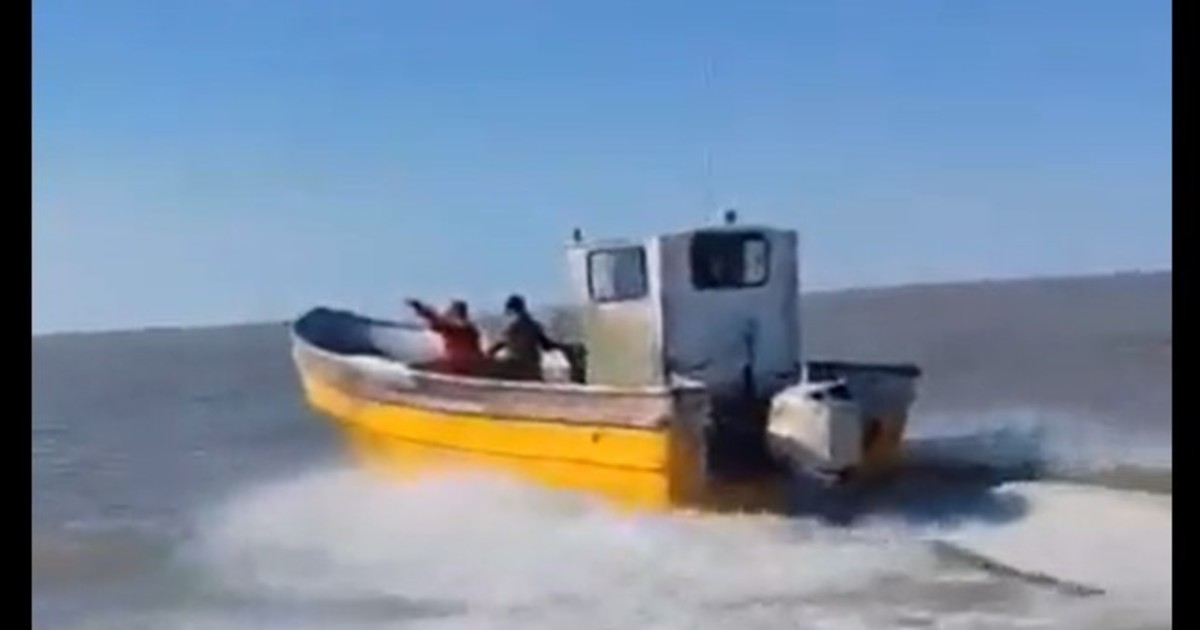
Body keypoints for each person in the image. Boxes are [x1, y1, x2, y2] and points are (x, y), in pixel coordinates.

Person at [486, 294, 564, 381]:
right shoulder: (534, 325)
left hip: (515, 367)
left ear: (511, 310)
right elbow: (546, 346)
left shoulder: (513, 325)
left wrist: (488, 353)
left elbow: (502, 343)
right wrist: (562, 347)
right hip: (532, 367)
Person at [405, 298, 485, 376]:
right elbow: (434, 318)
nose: (448, 312)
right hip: (464, 363)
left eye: (451, 310)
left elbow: (434, 318)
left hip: (461, 364)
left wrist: (418, 307)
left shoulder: (459, 327)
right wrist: (419, 307)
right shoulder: (468, 327)